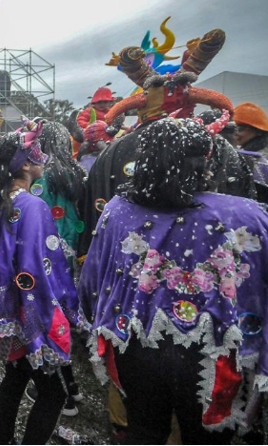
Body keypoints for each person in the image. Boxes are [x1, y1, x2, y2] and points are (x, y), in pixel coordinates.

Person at [78, 117, 268, 444]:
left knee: (143, 432)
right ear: (205, 160)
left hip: (133, 345)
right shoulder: (246, 214)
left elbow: (91, 283)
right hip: (215, 353)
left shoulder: (118, 211)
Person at [0, 122, 85, 445]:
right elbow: (39, 267)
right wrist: (60, 309)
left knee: (16, 375)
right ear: (24, 163)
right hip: (30, 312)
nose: (44, 157)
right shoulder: (33, 206)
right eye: (37, 151)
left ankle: (3, 441)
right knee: (53, 394)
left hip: (4, 313)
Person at [232, 102, 268, 200]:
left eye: (240, 129)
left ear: (258, 131)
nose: (236, 134)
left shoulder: (260, 159)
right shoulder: (243, 152)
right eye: (233, 129)